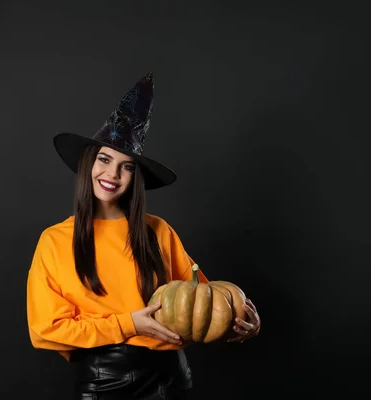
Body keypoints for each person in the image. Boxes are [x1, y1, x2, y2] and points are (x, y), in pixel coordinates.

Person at [26, 73, 261, 399]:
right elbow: (45, 329)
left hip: (171, 378)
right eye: (104, 159)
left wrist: (243, 321)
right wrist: (129, 324)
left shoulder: (158, 231)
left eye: (127, 166)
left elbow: (202, 304)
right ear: (88, 164)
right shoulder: (55, 241)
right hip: (104, 379)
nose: (112, 174)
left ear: (135, 178)